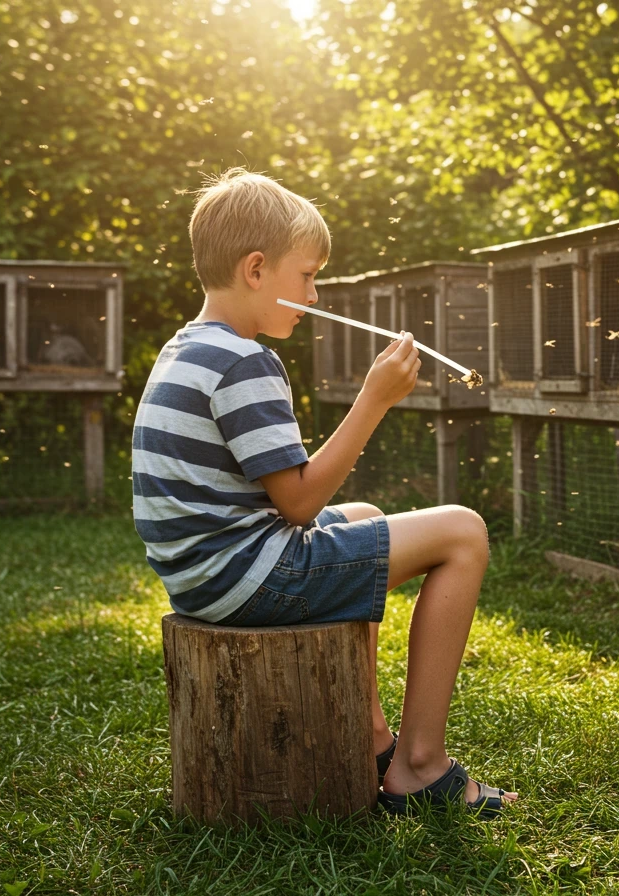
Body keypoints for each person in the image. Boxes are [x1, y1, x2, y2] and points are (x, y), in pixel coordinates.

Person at [131, 167, 516, 818]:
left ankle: (371, 742)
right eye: (307, 276)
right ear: (257, 270)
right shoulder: (242, 360)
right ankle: (420, 765)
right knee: (464, 532)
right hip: (246, 578)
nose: (313, 292)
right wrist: (374, 400)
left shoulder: (188, 346)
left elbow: (287, 501)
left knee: (364, 514)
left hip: (205, 576)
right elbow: (300, 505)